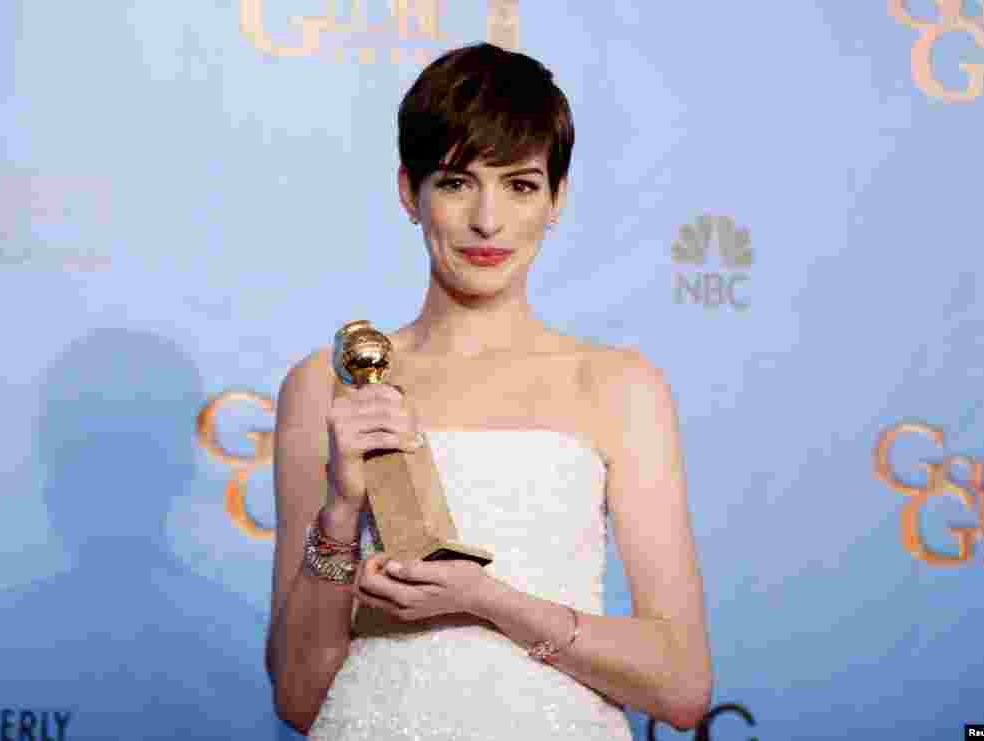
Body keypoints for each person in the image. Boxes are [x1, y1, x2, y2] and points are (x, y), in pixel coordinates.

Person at [266, 42, 712, 739]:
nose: (487, 221)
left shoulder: (620, 388)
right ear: (408, 191)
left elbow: (682, 686)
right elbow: (297, 697)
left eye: (520, 185)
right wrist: (340, 513)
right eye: (455, 182)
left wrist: (488, 599)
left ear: (558, 198)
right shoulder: (327, 385)